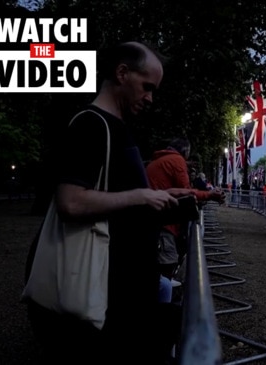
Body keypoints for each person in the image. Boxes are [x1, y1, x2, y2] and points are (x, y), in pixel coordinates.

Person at [24, 41, 187, 364]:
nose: (150, 98)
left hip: (120, 296)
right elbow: (70, 201)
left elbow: (115, 195)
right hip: (100, 299)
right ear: (122, 72)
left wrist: (160, 196)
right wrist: (140, 196)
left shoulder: (116, 128)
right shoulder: (90, 125)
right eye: (147, 87)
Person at [146, 137, 226, 281]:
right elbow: (185, 192)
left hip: (153, 220)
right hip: (164, 224)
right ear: (186, 152)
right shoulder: (176, 161)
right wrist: (209, 195)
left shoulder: (158, 161)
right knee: (167, 264)